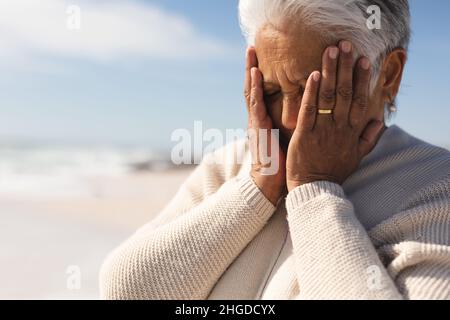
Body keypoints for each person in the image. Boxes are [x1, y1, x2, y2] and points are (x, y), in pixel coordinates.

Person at [99, 0, 450, 299]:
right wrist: (256, 188)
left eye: (313, 91)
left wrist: (314, 188)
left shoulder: (436, 188)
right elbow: (123, 289)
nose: (288, 118)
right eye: (271, 91)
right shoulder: (232, 166)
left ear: (388, 74)